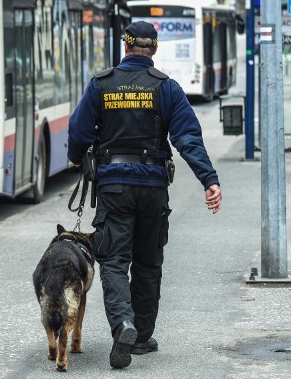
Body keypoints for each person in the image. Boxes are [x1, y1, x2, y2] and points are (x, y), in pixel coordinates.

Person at [67, 21, 222, 369]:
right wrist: (208, 180)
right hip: (153, 187)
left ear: (125, 47)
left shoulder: (101, 84)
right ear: (153, 48)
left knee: (115, 261)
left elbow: (77, 131)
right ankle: (140, 336)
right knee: (149, 263)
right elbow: (188, 139)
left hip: (114, 188)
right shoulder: (166, 88)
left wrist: (78, 157)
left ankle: (123, 323)